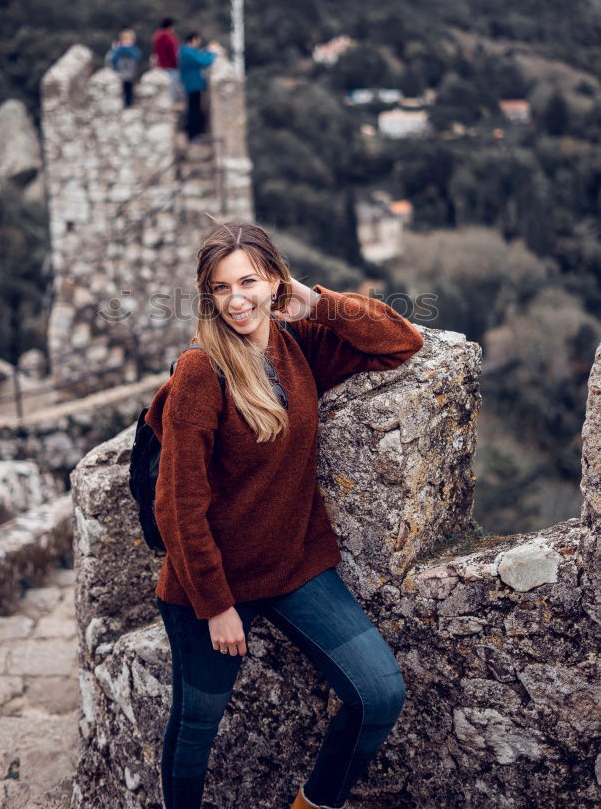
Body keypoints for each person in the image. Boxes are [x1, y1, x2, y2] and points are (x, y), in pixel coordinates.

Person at [145, 219, 425, 809]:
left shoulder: (296, 345)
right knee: (196, 729)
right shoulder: (200, 371)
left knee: (378, 693)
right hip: (211, 582)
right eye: (221, 288)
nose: (237, 299)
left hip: (295, 565)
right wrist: (218, 605)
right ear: (207, 296)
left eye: (250, 281)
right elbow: (177, 503)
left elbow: (402, 340)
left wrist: (313, 301)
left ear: (275, 279)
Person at [178, 31, 220, 140]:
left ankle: (193, 133)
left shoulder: (185, 51)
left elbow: (199, 55)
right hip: (193, 85)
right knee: (194, 110)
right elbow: (204, 61)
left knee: (193, 109)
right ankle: (193, 134)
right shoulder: (188, 53)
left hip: (190, 84)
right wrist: (213, 53)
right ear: (193, 40)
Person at [108, 29, 142, 108]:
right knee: (122, 88)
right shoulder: (119, 49)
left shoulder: (132, 49)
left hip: (130, 72)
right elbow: (113, 59)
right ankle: (124, 104)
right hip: (122, 72)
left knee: (130, 88)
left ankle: (129, 104)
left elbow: (137, 55)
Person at [152, 16, 181, 103]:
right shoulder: (170, 37)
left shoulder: (157, 36)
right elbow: (173, 53)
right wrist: (177, 63)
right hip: (171, 67)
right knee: (171, 90)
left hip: (161, 66)